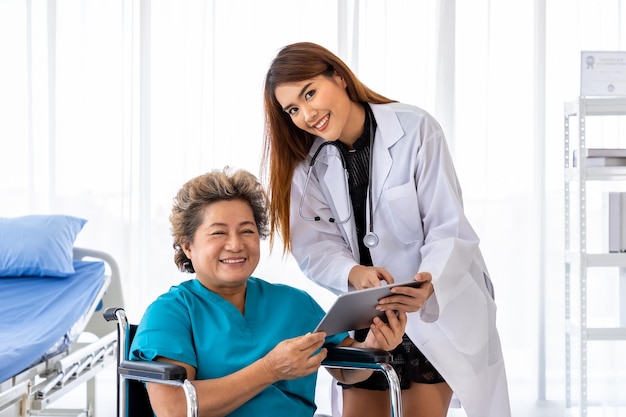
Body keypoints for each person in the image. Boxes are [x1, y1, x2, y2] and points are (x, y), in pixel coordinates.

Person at [261, 42, 511, 417]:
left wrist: (430, 284)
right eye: (293, 109)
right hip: (373, 319)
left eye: (310, 92)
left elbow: (448, 226)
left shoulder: (415, 129)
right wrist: (353, 271)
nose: (307, 114)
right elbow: (314, 248)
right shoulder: (307, 166)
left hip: (435, 313)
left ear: (340, 77)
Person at [129, 167, 407, 417]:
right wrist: (270, 370)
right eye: (218, 233)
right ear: (188, 245)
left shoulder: (294, 303)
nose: (236, 245)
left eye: (247, 231)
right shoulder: (171, 312)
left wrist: (374, 345)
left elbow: (346, 370)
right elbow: (176, 408)